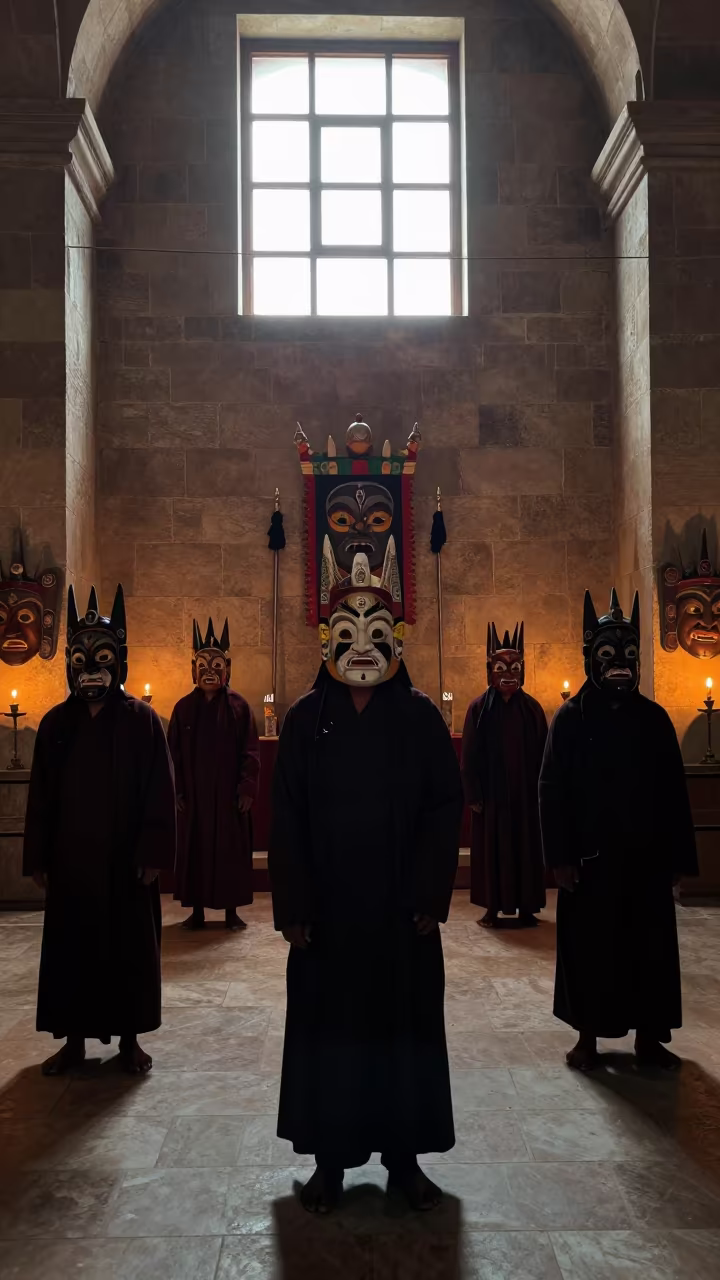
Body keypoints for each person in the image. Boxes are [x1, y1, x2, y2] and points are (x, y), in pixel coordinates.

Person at [269, 546, 463, 1216]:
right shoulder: (303, 720)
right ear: (327, 638)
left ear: (395, 639)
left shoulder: (418, 717)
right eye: (345, 631)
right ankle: (329, 1164)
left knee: (401, 1035)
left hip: (399, 913)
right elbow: (286, 816)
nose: (359, 645)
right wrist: (292, 905)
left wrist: (430, 894)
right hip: (326, 918)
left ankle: (405, 1162)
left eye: (374, 630)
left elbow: (445, 806)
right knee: (331, 1038)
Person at [539, 588, 698, 1073]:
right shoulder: (569, 719)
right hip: (590, 862)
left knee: (648, 952)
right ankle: (588, 1036)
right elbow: (551, 789)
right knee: (591, 951)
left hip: (646, 861)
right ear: (590, 660)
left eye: (629, 655)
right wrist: (560, 858)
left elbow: (674, 793)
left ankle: (649, 1038)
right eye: (608, 656)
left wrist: (679, 862)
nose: (620, 665)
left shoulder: (654, 720)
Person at [23, 584, 176, 1076]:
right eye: (82, 656)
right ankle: (73, 1042)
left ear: (120, 662)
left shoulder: (143, 722)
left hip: (126, 864)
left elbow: (160, 789)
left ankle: (130, 1040)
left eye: (103, 656)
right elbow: (41, 795)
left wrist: (152, 851)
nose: (92, 666)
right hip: (72, 864)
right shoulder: (54, 724)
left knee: (128, 950)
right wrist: (40, 856)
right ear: (69, 662)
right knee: (72, 951)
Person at [168, 618, 259, 931]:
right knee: (194, 853)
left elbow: (251, 751)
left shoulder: (239, 707)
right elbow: (173, 755)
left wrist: (246, 789)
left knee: (229, 853)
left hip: (229, 799)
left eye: (217, 664)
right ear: (193, 670)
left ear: (228, 669)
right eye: (203, 664)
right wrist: (177, 790)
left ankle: (232, 912)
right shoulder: (182, 709)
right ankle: (197, 913)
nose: (210, 670)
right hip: (193, 799)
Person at [461, 622, 547, 928]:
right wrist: (473, 794)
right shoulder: (479, 709)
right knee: (493, 852)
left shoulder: (533, 710)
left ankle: (527, 907)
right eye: (501, 667)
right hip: (492, 797)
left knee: (526, 850)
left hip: (525, 798)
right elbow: (469, 755)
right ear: (490, 671)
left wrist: (541, 794)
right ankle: (492, 907)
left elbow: (543, 755)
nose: (508, 673)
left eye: (515, 667)